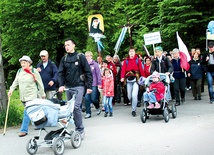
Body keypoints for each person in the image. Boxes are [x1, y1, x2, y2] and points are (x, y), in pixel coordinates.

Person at [58, 38, 93, 139]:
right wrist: (61, 85)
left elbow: (88, 72)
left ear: (74, 45)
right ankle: (68, 128)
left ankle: (80, 129)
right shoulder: (64, 59)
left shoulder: (80, 57)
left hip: (79, 86)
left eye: (68, 45)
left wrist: (89, 86)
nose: (67, 47)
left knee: (76, 107)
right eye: (65, 45)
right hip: (68, 87)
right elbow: (60, 73)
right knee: (70, 109)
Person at [8, 55, 46, 137]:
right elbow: (15, 82)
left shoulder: (34, 71)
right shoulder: (19, 71)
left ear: (29, 63)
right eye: (21, 63)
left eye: (24, 63)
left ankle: (23, 130)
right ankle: (40, 121)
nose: (22, 64)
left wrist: (43, 94)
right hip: (23, 96)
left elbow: (40, 83)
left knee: (27, 112)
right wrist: (11, 90)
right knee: (32, 112)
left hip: (31, 95)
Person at [121, 48, 145, 117]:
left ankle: (133, 110)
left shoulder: (138, 60)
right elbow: (123, 70)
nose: (131, 53)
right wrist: (122, 77)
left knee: (134, 95)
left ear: (134, 53)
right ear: (128, 53)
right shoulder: (126, 61)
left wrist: (143, 78)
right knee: (129, 96)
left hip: (136, 80)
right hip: (128, 80)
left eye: (133, 52)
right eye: (130, 52)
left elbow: (141, 69)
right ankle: (134, 102)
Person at [84, 51, 102, 119]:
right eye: (86, 56)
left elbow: (98, 74)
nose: (87, 57)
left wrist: (99, 83)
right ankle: (88, 113)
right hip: (87, 84)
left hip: (94, 83)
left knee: (93, 98)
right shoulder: (84, 65)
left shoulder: (95, 64)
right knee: (86, 98)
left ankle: (97, 107)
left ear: (91, 56)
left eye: (89, 56)